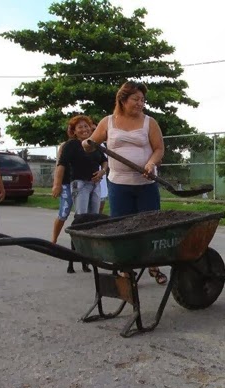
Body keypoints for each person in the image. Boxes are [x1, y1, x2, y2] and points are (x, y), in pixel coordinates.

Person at [82, 81, 167, 286]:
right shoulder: (108, 122)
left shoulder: (149, 122)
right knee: (122, 228)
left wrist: (150, 163)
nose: (140, 103)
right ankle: (126, 270)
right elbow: (90, 144)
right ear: (123, 99)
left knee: (150, 226)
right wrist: (87, 144)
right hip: (119, 184)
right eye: (136, 99)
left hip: (145, 183)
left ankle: (153, 265)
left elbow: (159, 149)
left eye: (143, 100)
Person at [53, 115, 107, 216]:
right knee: (82, 215)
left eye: (86, 126)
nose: (84, 129)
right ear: (74, 131)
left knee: (94, 215)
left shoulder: (94, 144)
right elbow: (61, 165)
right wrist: (57, 185)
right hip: (80, 184)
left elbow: (104, 160)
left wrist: (102, 172)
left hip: (95, 184)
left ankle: (91, 232)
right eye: (80, 127)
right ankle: (78, 231)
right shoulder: (71, 145)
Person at [50, 140, 73, 244]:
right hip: (67, 184)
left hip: (83, 184)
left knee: (83, 214)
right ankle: (54, 240)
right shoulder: (66, 145)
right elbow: (59, 165)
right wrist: (57, 184)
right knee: (64, 213)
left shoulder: (87, 144)